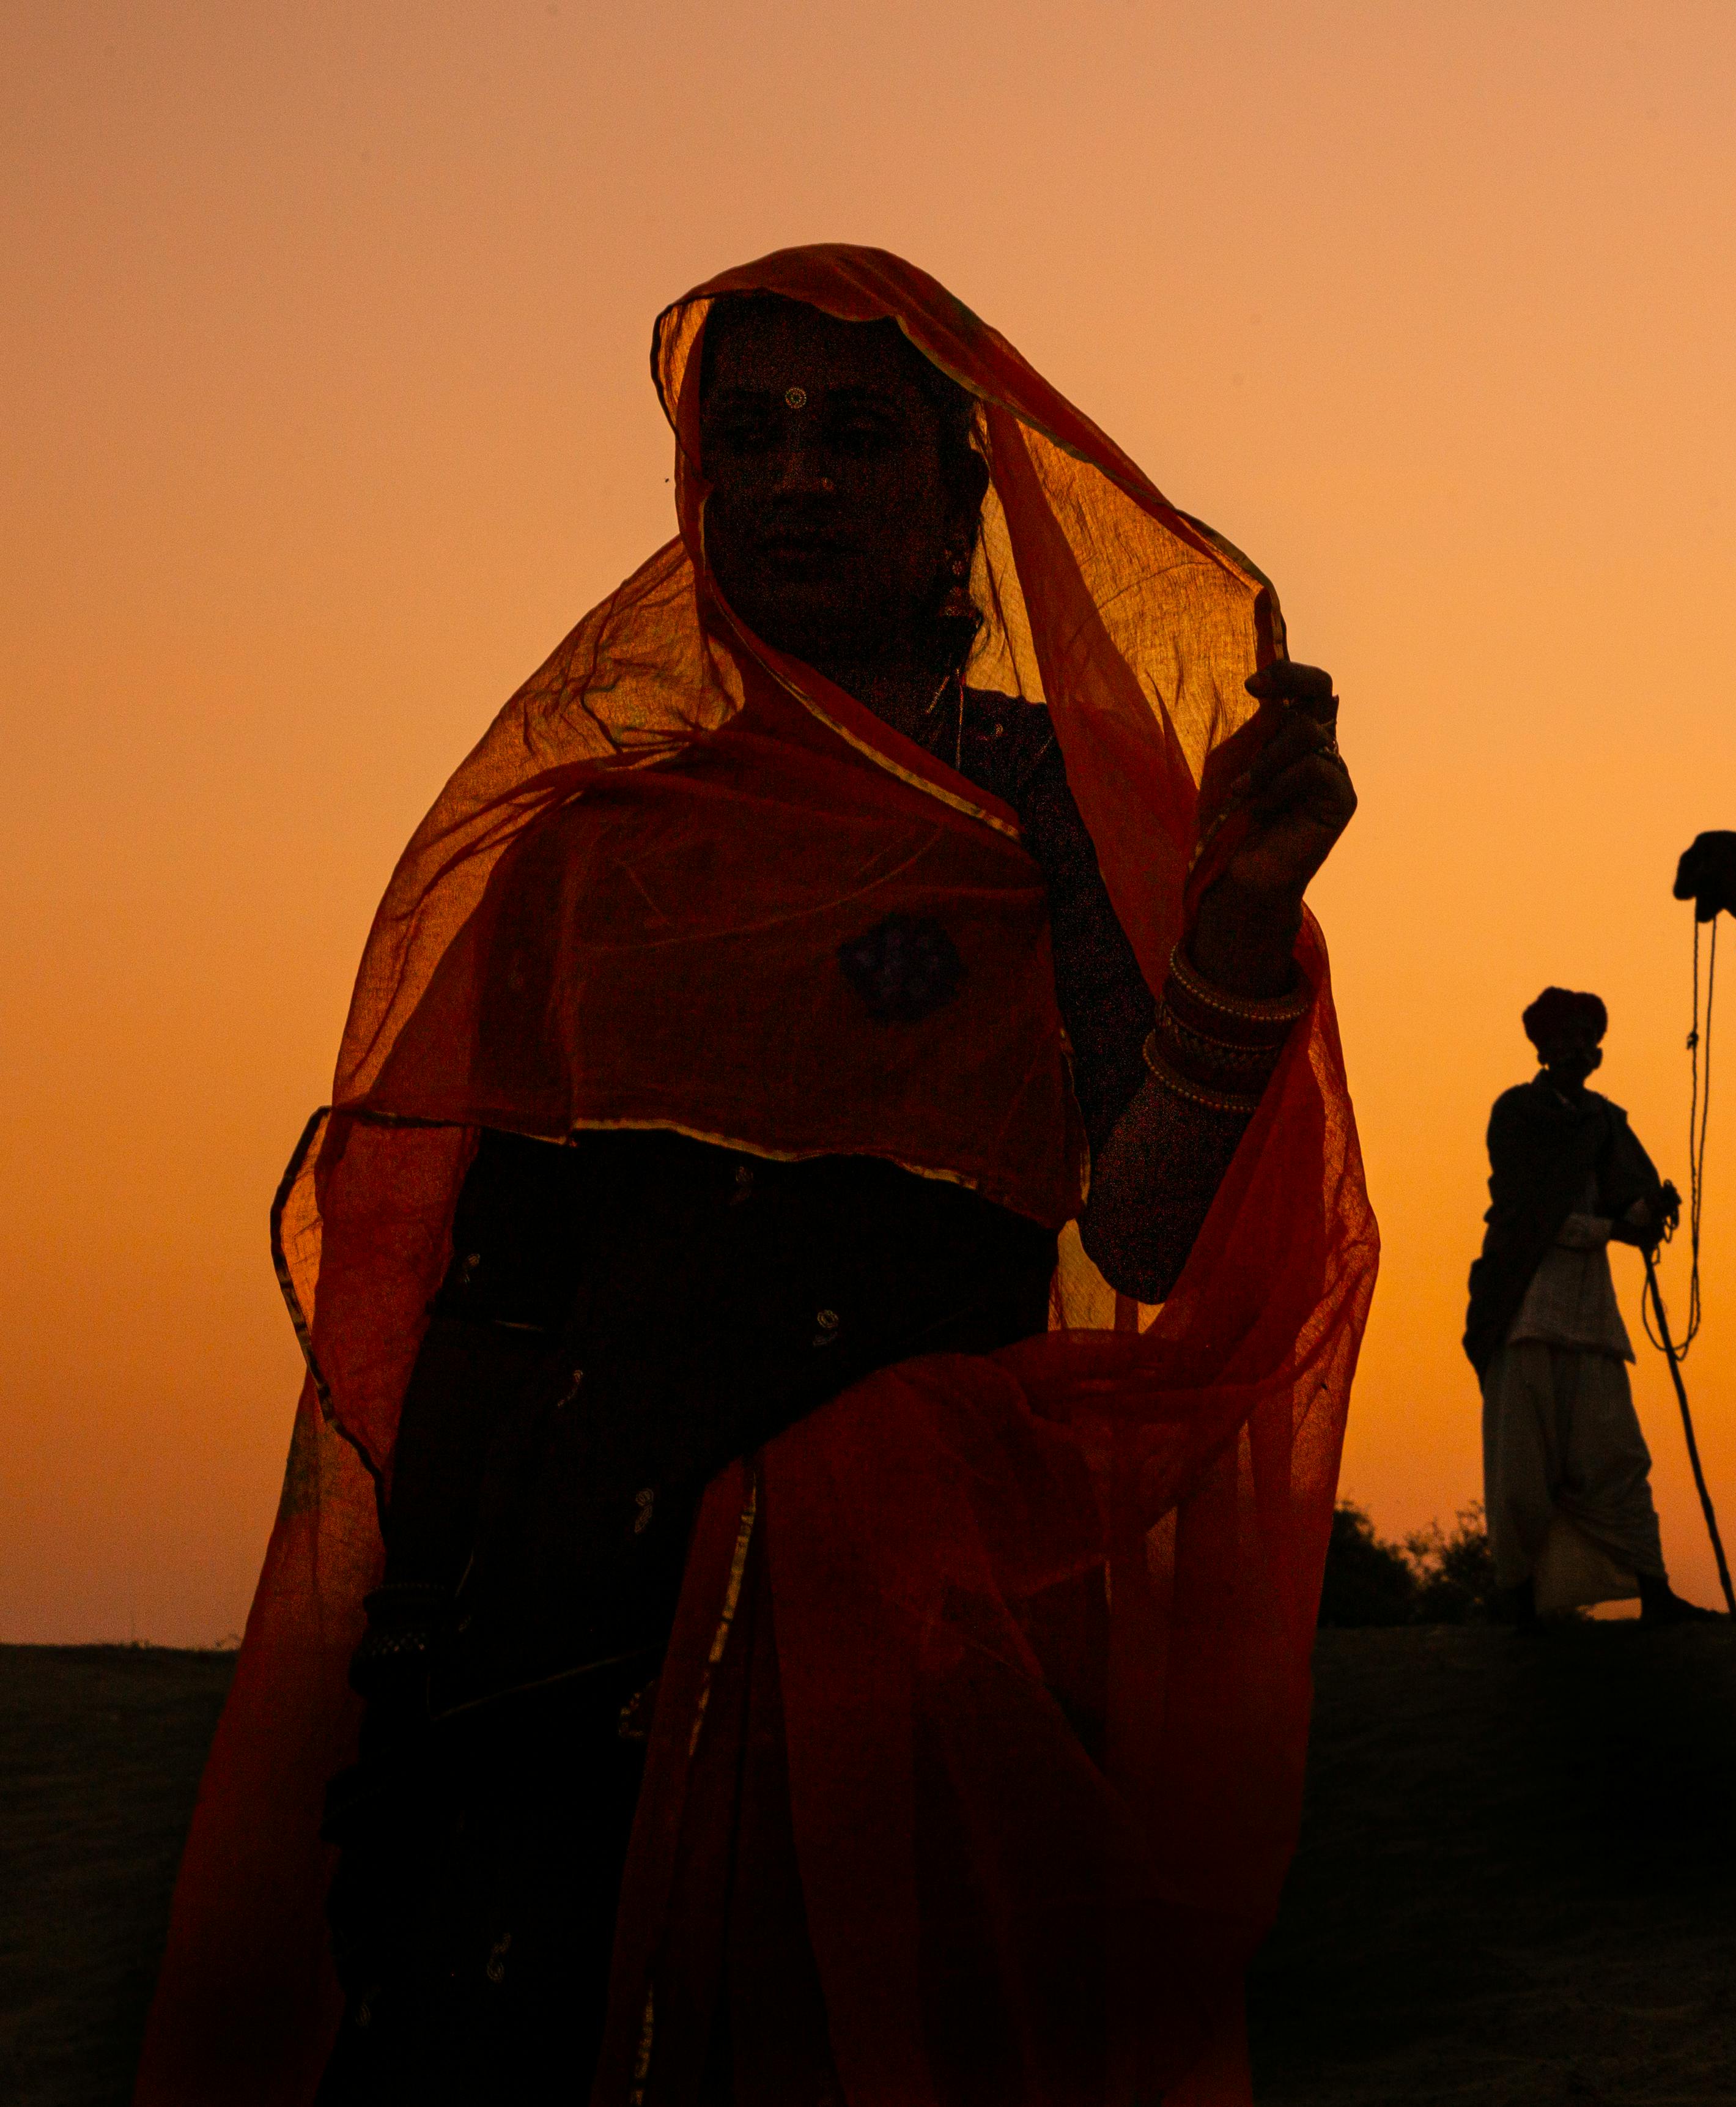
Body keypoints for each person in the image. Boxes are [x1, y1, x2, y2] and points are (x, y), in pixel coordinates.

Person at [136, 246, 1377, 2107]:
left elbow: (1139, 1223)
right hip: (545, 1631)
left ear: (966, 499)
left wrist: (1246, 916)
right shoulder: (600, 834)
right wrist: (418, 1637)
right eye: (752, 437)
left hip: (894, 1654)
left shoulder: (1055, 811)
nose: (796, 477)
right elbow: (490, 1278)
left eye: (858, 435)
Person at [1461, 989, 1715, 1630]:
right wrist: (1610, 1228)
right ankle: (1517, 1604)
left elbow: (1624, 1196)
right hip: (1525, 1309)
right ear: (1544, 1048)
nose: (1578, 1047)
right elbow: (1531, 1214)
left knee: (1618, 1458)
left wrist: (1647, 1210)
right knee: (1521, 1472)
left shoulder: (1604, 1121)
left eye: (1586, 1036)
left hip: (1592, 1317)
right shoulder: (1516, 1113)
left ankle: (1654, 1593)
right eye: (1566, 1036)